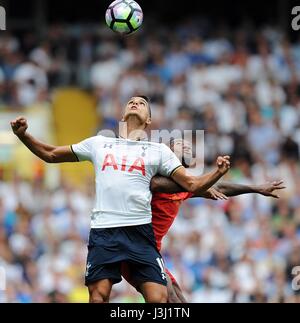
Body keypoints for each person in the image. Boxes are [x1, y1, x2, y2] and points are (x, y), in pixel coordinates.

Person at [10, 95, 231, 303]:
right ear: (123, 115)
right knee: (98, 297)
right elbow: (50, 154)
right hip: (105, 230)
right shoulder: (99, 144)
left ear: (149, 119)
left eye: (141, 103)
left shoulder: (159, 151)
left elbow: (191, 184)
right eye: (131, 102)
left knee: (159, 298)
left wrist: (217, 173)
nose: (135, 103)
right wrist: (23, 136)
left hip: (140, 232)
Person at [122, 138, 286, 302]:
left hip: (150, 251)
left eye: (187, 144)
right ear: (166, 152)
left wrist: (256, 188)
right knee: (169, 297)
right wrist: (206, 179)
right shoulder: (155, 176)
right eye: (178, 144)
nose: (185, 145)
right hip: (134, 248)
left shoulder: (187, 185)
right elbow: (160, 184)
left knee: (179, 298)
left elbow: (219, 188)